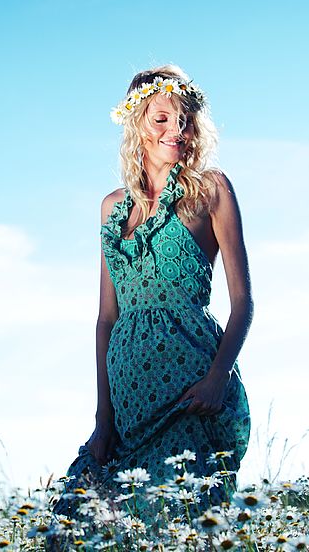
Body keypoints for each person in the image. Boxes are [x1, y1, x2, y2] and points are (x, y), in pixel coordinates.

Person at [49, 64, 252, 532]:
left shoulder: (212, 190)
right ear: (137, 122)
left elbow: (243, 302)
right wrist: (104, 417)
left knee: (181, 526)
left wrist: (217, 378)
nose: (175, 132)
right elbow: (105, 319)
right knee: (73, 524)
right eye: (162, 119)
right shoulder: (111, 207)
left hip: (190, 394)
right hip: (126, 405)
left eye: (184, 121)